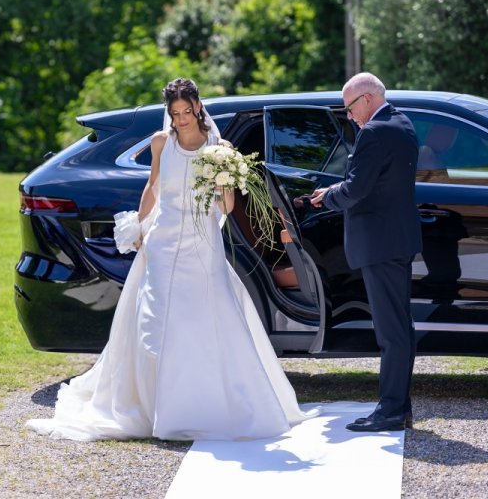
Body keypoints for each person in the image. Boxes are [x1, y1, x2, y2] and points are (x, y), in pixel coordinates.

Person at [27, 78, 315, 441]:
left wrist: (224, 181)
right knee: (158, 316)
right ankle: (155, 405)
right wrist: (141, 226)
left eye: (186, 112)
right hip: (163, 240)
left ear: (197, 107)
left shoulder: (219, 147)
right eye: (175, 113)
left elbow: (226, 207)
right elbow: (153, 186)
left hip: (202, 240)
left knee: (207, 315)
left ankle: (206, 402)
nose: (181, 119)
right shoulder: (161, 142)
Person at [310, 72, 421, 433]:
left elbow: (357, 189)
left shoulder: (373, 132)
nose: (349, 116)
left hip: (381, 244)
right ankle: (398, 407)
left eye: (350, 107)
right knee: (400, 328)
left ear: (368, 98)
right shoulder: (401, 123)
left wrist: (328, 196)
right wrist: (341, 186)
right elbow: (378, 180)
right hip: (397, 241)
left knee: (391, 333)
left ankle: (389, 410)